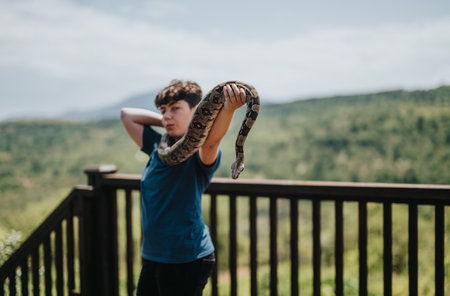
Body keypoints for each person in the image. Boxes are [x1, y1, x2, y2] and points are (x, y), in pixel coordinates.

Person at [120, 80, 246, 296]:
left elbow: (210, 144)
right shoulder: (157, 144)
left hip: (186, 258)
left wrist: (225, 110)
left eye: (175, 108)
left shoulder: (196, 154)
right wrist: (170, 120)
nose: (167, 115)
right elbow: (126, 115)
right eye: (163, 110)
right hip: (154, 255)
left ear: (196, 110)